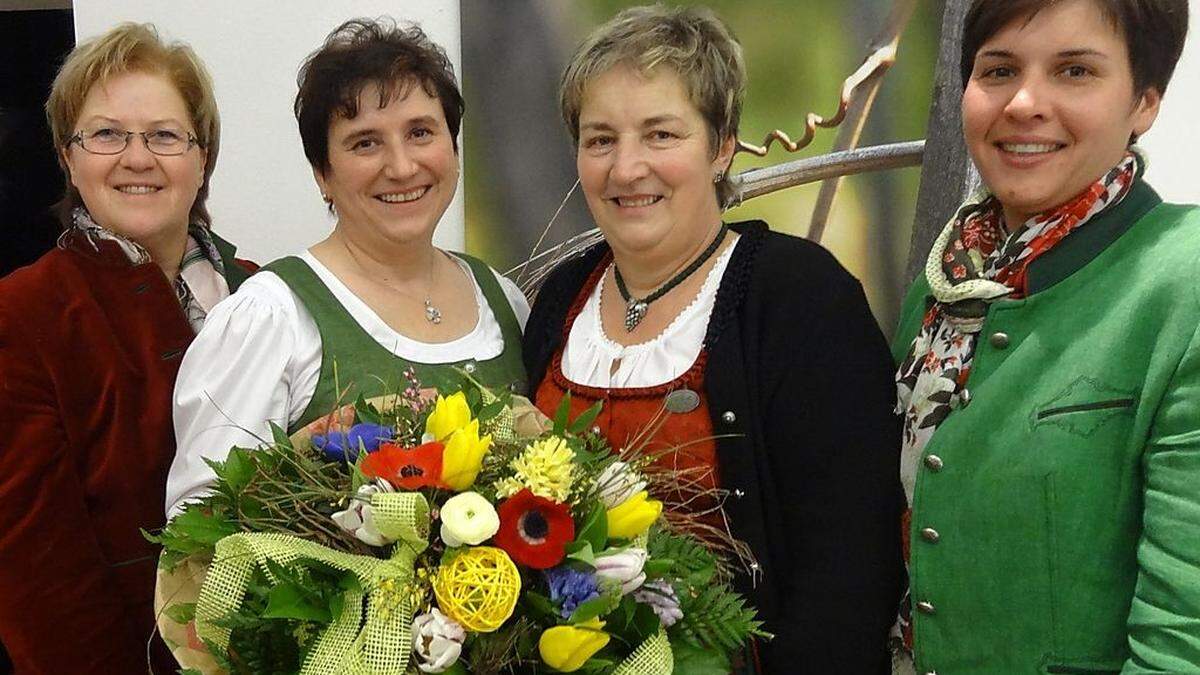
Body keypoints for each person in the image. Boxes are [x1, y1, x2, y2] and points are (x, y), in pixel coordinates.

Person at [523, 5, 903, 672]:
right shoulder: (559, 300)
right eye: (600, 138)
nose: (626, 168)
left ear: (722, 144)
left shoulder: (800, 299)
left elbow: (849, 571)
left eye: (661, 134)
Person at [893, 0, 1198, 671]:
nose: (1025, 101)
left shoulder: (1185, 282)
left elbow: (1185, 636)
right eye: (998, 70)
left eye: (1074, 71)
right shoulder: (946, 283)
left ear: (1145, 101)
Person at [166, 19, 528, 517]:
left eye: (421, 132)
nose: (401, 167)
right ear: (322, 174)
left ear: (454, 146)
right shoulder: (271, 316)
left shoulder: (504, 299)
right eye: (365, 143)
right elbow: (200, 525)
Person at [0, 23, 253, 673]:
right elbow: (41, 587)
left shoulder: (265, 289)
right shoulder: (24, 314)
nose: (137, 158)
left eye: (165, 135)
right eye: (107, 134)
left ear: (203, 157)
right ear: (68, 156)